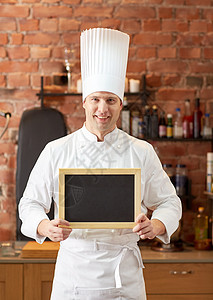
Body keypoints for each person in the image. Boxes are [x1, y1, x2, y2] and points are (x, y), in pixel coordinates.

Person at [19, 28, 182, 300]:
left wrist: (156, 226)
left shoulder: (142, 151)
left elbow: (170, 202)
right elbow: (29, 204)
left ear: (121, 105)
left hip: (124, 275)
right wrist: (45, 227)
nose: (102, 109)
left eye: (110, 100)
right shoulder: (56, 150)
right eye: (95, 99)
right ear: (84, 103)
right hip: (74, 273)